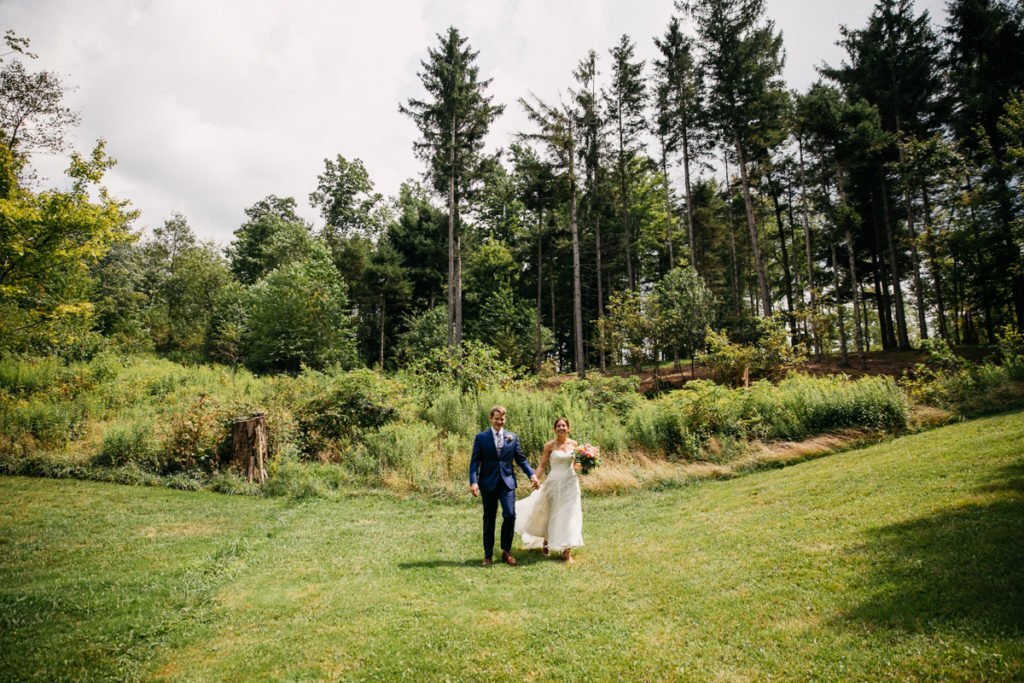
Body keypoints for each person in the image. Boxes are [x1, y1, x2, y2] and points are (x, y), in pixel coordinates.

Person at [469, 405, 539, 566]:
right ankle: (488, 555)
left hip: (507, 483)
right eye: (496, 419)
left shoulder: (512, 437)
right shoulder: (481, 438)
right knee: (489, 518)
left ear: (504, 419)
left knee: (510, 515)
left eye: (502, 419)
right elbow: (474, 463)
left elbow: (521, 460)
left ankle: (506, 551)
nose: (499, 421)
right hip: (487, 483)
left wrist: (532, 475)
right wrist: (473, 482)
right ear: (491, 419)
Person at [515, 417, 584, 565]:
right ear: (554, 429)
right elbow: (542, 465)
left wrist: (587, 461)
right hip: (554, 483)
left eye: (564, 426)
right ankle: (546, 540)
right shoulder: (549, 446)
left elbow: (575, 465)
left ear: (568, 428)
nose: (561, 428)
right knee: (550, 512)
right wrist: (535, 478)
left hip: (570, 484)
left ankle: (567, 551)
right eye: (558, 426)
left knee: (569, 514)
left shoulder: (574, 444)